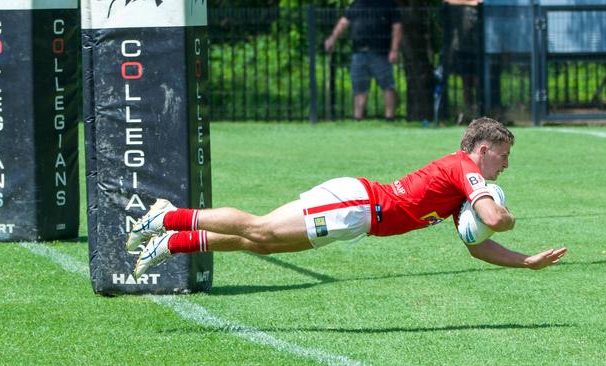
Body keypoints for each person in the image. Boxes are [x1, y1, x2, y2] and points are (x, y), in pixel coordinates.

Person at [128, 117, 567, 277]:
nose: (505, 166)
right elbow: (492, 215)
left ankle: (173, 242)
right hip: (356, 203)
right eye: (503, 156)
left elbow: (478, 246)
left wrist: (526, 260)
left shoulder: (462, 190)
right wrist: (502, 212)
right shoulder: (466, 170)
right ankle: (168, 217)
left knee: (259, 243)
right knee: (259, 227)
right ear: (484, 149)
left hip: (358, 218)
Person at [324, 0, 403, 121]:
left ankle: (390, 118)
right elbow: (344, 22)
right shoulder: (357, 4)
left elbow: (397, 27)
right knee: (359, 88)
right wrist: (333, 38)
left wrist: (394, 49)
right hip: (359, 52)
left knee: (387, 86)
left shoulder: (388, 4)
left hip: (380, 52)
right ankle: (358, 119)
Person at [441, 0, 483, 121]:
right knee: (466, 82)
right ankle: (468, 111)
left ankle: (480, 111)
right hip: (462, 48)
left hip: (479, 48)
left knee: (478, 81)